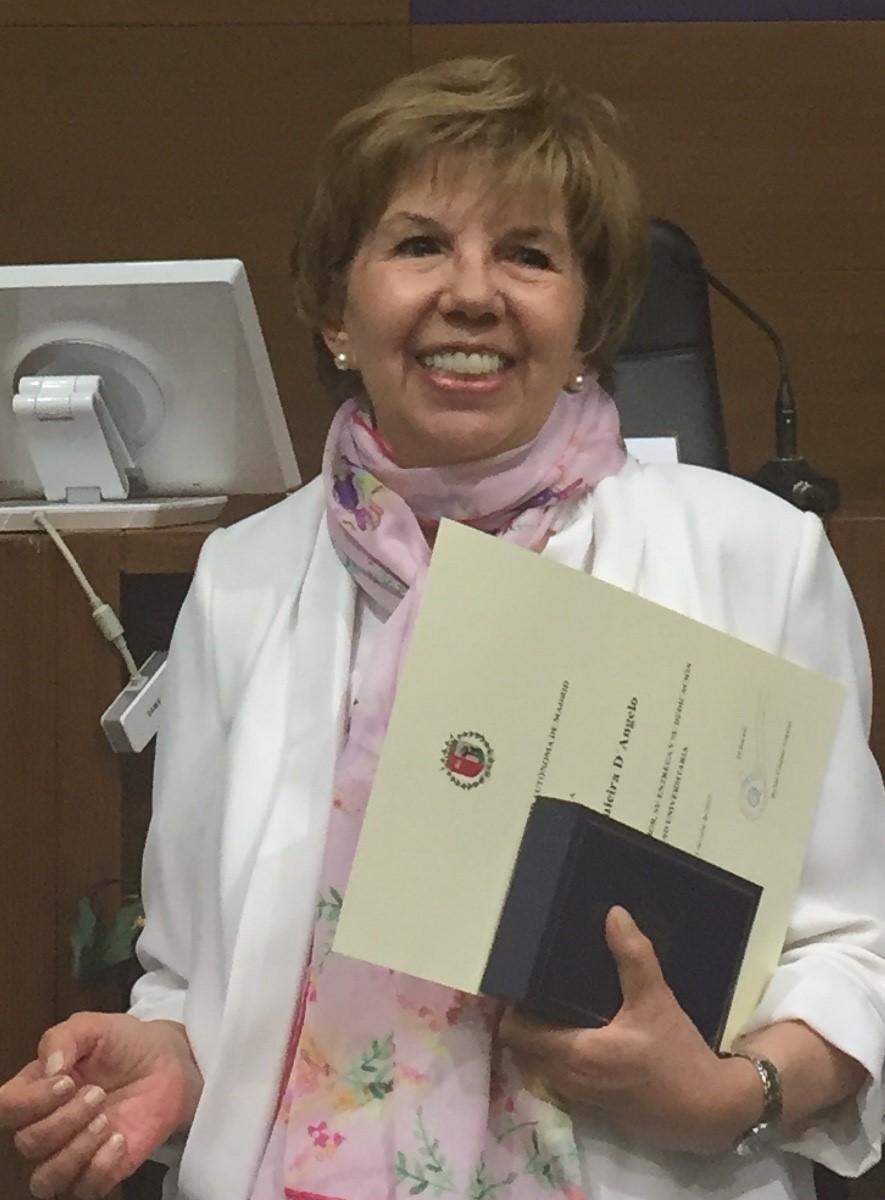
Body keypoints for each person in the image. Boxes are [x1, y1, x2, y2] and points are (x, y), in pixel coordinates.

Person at [2, 55, 884, 1200]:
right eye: (420, 244)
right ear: (337, 312)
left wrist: (732, 1095)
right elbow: (188, 966)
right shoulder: (244, 578)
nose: (472, 294)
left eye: (529, 254)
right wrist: (172, 1056)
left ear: (587, 322)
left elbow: (858, 948)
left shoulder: (753, 557)